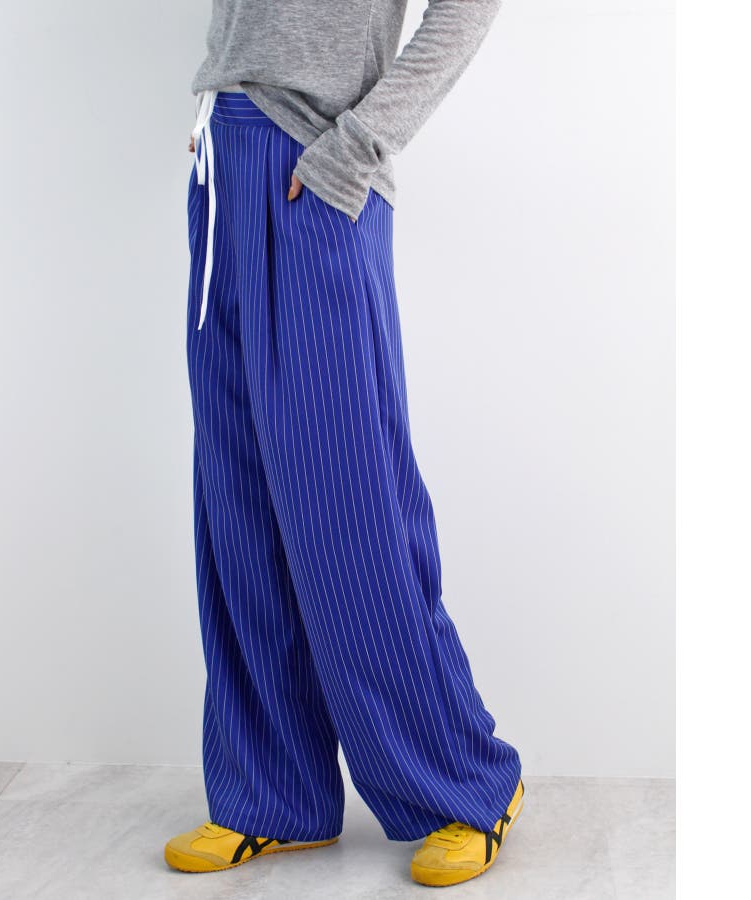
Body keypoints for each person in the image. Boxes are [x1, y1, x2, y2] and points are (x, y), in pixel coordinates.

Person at [164, 0, 523, 888]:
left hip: (319, 169)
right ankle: (272, 796)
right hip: (224, 162)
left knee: (349, 507)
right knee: (240, 502)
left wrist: (356, 146)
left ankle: (465, 784)